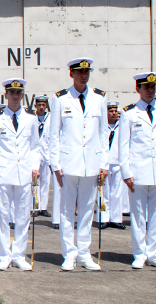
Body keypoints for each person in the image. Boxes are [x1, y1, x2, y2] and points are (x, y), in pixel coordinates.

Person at [48, 58, 109, 271]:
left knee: (86, 210)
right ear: (71, 74)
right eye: (79, 72)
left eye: (86, 72)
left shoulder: (99, 98)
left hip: (91, 163)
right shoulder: (62, 99)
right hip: (68, 163)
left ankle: (84, 253)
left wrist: (104, 163)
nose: (83, 75)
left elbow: (103, 132)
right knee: (66, 210)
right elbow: (53, 134)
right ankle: (69, 254)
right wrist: (55, 164)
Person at [118, 72, 156, 270]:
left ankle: (154, 253)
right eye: (146, 87)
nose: (150, 91)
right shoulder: (129, 112)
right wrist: (126, 172)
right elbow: (123, 145)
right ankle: (139, 254)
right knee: (138, 215)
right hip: (138, 173)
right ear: (138, 89)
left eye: (153, 87)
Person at [0, 78, 41, 271]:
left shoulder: (31, 119)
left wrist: (36, 166)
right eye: (12, 93)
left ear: (22, 95)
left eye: (19, 93)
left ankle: (19, 255)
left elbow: (35, 147)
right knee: (3, 216)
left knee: (23, 216)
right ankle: (4, 256)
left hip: (24, 173)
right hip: (3, 172)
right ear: (6, 95)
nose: (15, 96)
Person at [102, 101, 127, 230]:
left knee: (117, 192)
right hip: (105, 163)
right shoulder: (102, 126)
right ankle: (103, 218)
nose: (114, 113)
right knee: (104, 192)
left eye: (115, 111)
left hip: (117, 162)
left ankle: (116, 218)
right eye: (111, 111)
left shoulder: (121, 126)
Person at [33, 96, 52, 219]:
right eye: (39, 104)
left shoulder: (50, 118)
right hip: (36, 151)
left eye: (43, 105)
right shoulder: (32, 118)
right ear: (35, 106)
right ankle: (35, 206)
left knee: (45, 180)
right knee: (35, 181)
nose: (41, 107)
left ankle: (43, 207)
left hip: (47, 151)